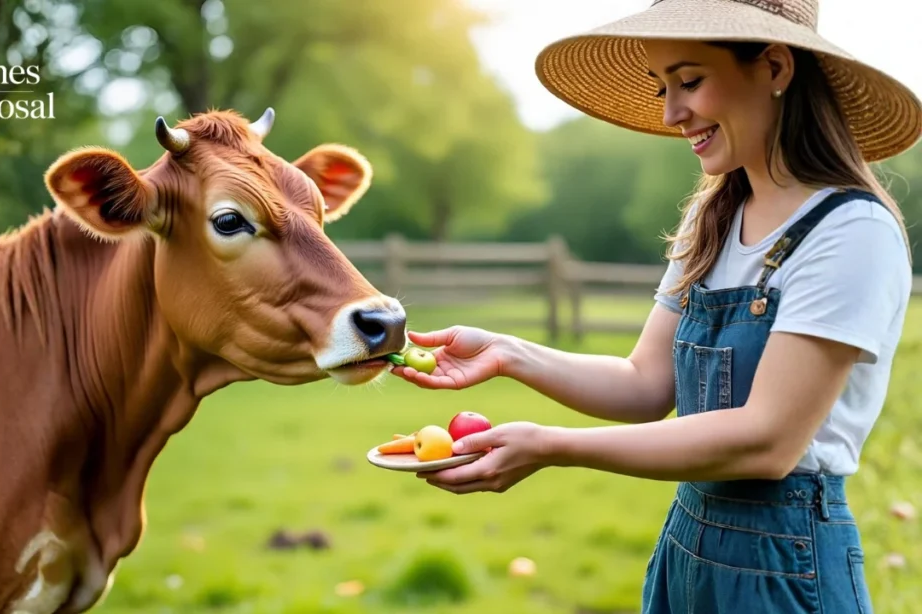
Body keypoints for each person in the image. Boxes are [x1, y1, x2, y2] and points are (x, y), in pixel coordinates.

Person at [389, 1, 921, 612]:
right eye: (662, 85)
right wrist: (509, 353)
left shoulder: (851, 230)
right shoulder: (714, 215)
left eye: (690, 81)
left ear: (775, 67)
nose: (672, 113)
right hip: (687, 548)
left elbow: (766, 441)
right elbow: (645, 383)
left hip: (787, 567)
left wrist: (553, 445)